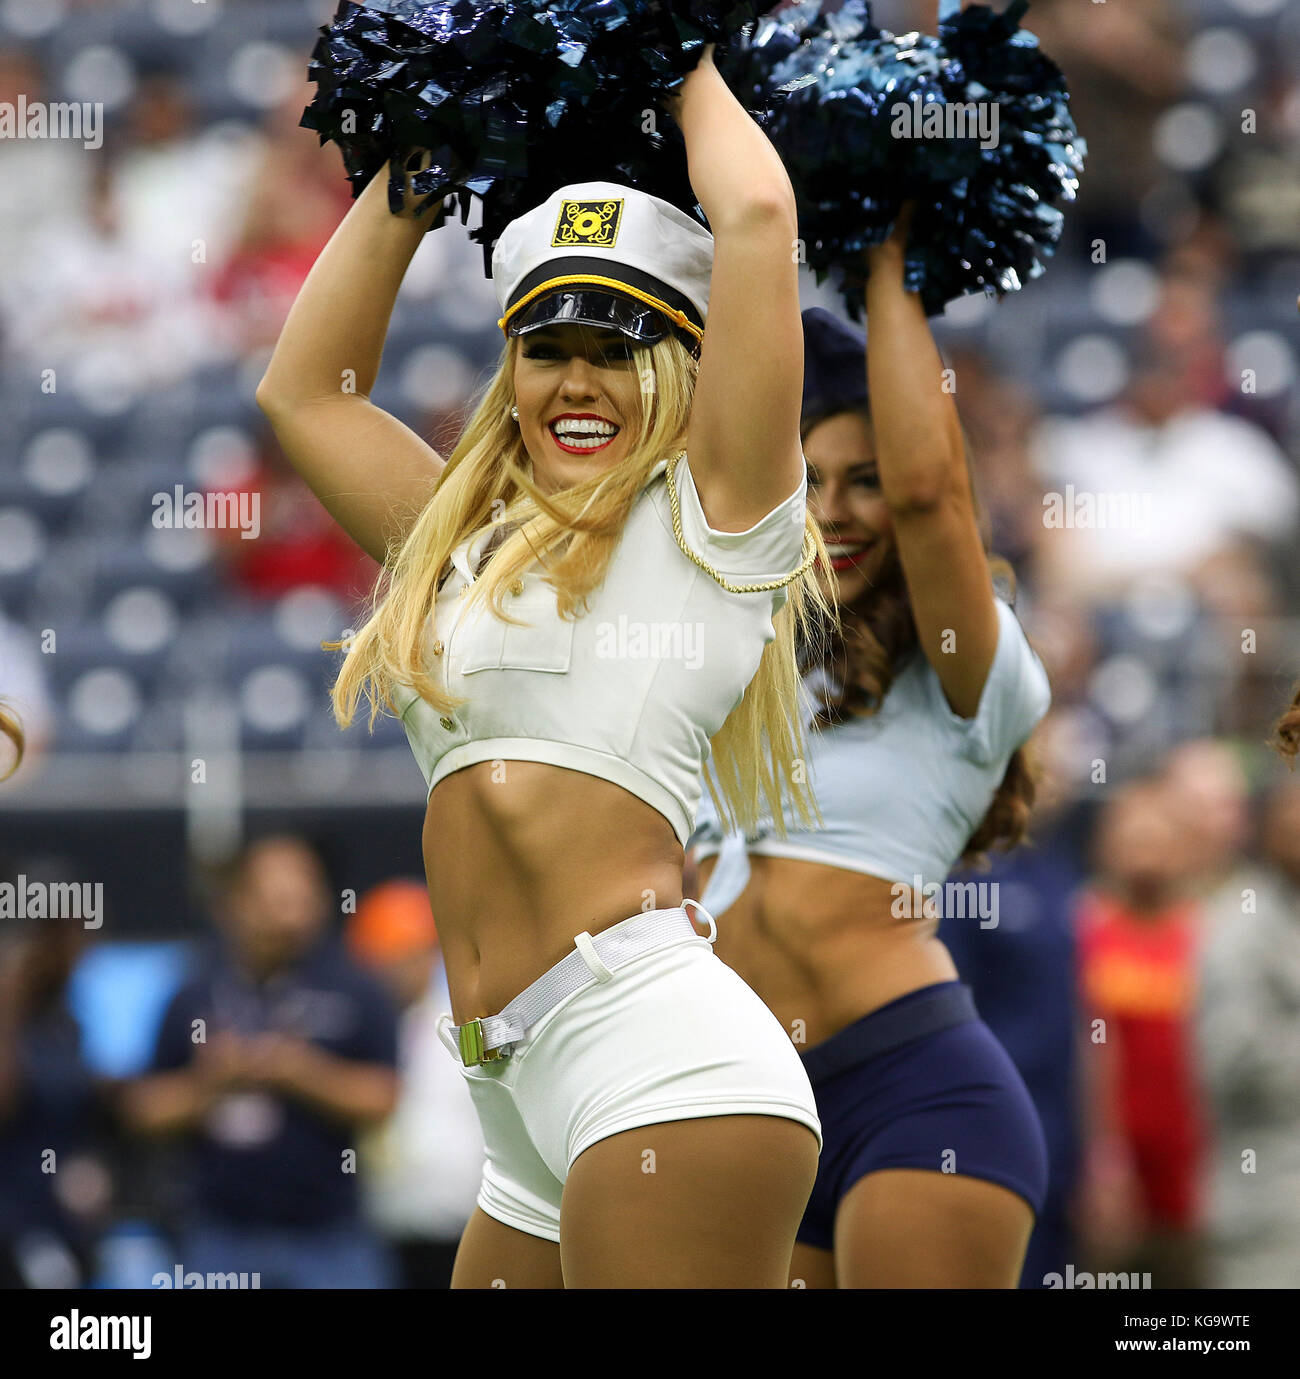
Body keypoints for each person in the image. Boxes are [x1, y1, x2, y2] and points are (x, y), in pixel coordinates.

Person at [256, 44, 830, 1288]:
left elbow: (757, 214)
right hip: (513, 1095)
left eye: (617, 347)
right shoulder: (457, 548)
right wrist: (419, 156)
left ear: (677, 370)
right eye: (545, 344)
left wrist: (667, 46)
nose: (576, 380)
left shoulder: (718, 526)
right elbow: (304, 392)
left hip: (659, 1061)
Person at [689, 268, 1054, 1287]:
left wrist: (887, 269)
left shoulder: (963, 661)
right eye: (808, 478)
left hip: (911, 1095)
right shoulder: (748, 660)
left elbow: (937, 492)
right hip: (756, 1106)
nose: (833, 510)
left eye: (863, 479)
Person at [121, 834, 401, 1289]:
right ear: (233, 903)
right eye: (274, 897)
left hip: (330, 1235)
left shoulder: (355, 988)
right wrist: (210, 1085)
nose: (290, 913)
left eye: (303, 894)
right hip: (221, 1232)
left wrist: (301, 1073)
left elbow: (385, 1098)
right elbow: (144, 1110)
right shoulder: (193, 991)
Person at [1074, 780, 1207, 1289]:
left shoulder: (1206, 935)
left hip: (1192, 1175)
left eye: (1159, 837)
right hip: (1108, 1174)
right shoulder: (1083, 928)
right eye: (1134, 836)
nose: (1146, 851)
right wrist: (1099, 1161)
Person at [345, 879, 484, 1288]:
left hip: (459, 1229)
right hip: (373, 1235)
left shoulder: (464, 1026)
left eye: (412, 955)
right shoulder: (347, 1028)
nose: (398, 970)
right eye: (386, 958)